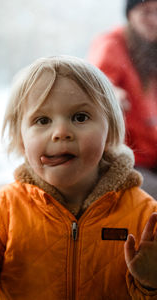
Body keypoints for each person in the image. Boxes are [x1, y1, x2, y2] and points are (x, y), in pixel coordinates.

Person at [0, 56, 157, 299]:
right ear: (21, 139)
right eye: (42, 120)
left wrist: (150, 283)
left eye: (80, 117)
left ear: (111, 130)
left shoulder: (146, 214)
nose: (61, 132)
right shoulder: (4, 208)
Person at [87, 0, 157, 198]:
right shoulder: (112, 44)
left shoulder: (151, 50)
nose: (154, 20)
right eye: (146, 13)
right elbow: (97, 85)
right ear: (130, 15)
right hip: (124, 157)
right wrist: (112, 94)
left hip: (151, 152)